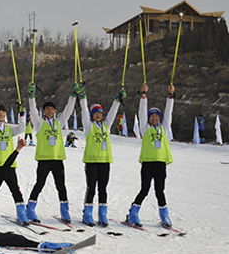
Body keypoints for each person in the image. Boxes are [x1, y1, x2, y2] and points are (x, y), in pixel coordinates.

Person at [25, 82, 78, 223]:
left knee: (61, 186)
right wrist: (31, 96)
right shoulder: (39, 123)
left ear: (54, 111)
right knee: (39, 184)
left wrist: (73, 96)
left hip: (57, 159)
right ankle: (30, 209)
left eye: (52, 109)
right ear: (43, 111)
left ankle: (65, 211)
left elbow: (68, 110)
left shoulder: (59, 122)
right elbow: (32, 109)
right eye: (47, 109)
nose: (49, 111)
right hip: (43, 159)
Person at [127, 84, 175, 228]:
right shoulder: (145, 128)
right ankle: (133, 213)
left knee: (160, 190)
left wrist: (170, 96)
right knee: (145, 189)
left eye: (156, 116)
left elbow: (168, 113)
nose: (154, 118)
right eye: (152, 116)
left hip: (160, 163)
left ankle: (164, 215)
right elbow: (142, 113)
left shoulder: (164, 128)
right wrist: (143, 96)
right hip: (147, 163)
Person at [78, 88, 125, 226]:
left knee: (103, 188)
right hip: (92, 162)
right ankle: (87, 214)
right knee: (91, 188)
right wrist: (83, 98)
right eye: (95, 113)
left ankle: (102, 214)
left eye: (100, 113)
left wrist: (117, 101)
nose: (98, 115)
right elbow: (85, 112)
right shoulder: (89, 126)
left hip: (105, 162)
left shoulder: (106, 126)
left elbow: (112, 113)